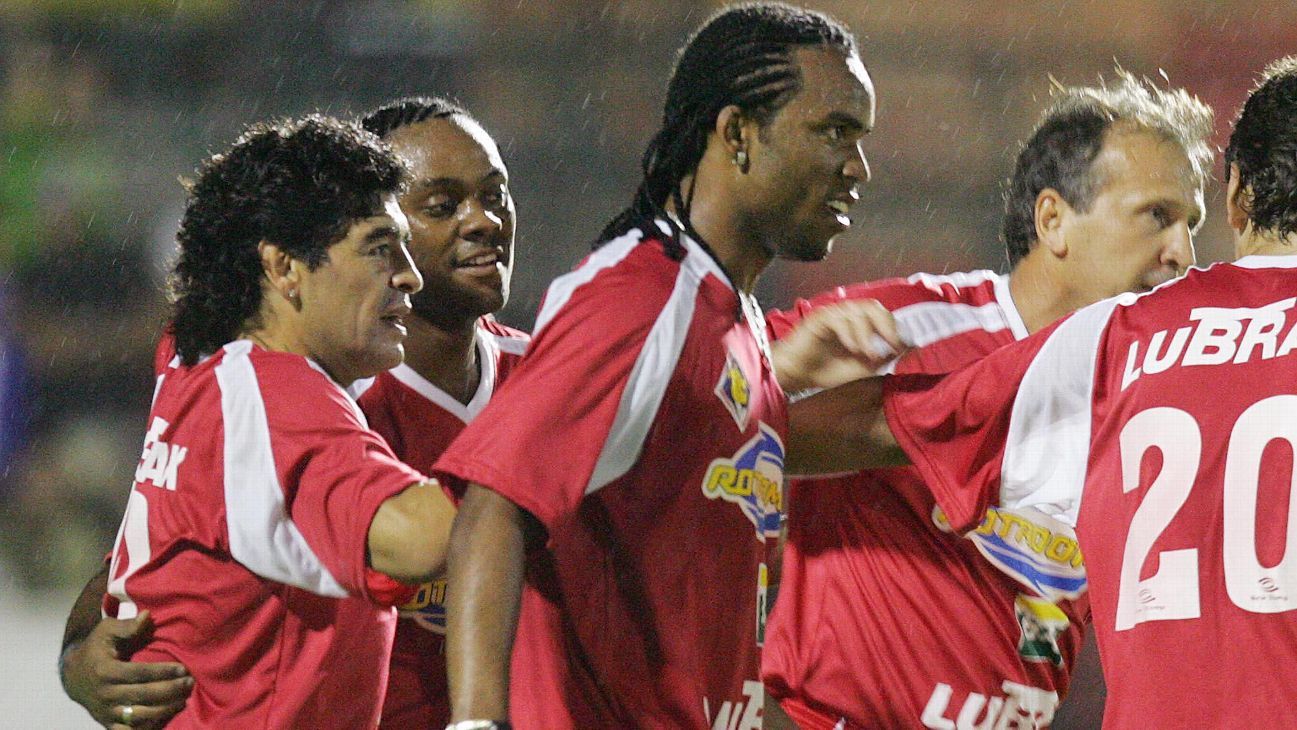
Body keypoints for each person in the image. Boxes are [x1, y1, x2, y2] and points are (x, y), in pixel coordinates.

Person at [791, 56, 1297, 729]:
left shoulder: (1108, 344)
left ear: (1235, 195)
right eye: (1154, 215)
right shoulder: (915, 323)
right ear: (1052, 219)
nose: (1180, 251)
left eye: (1189, 220)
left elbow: (833, 428)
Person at [434, 4, 900, 728]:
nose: (857, 165)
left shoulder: (728, 313)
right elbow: (494, 509)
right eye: (833, 131)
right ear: (737, 133)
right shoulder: (638, 300)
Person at [58, 99, 529, 730]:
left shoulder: (201, 358)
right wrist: (565, 415)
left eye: (495, 194)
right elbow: (425, 538)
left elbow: (162, 553)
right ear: (283, 266)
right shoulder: (276, 396)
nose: (407, 274)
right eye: (385, 245)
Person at [355, 97, 530, 729]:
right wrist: (83, 656)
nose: (484, 221)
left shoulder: (550, 384)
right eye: (442, 204)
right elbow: (161, 559)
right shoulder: (329, 404)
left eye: (495, 193)